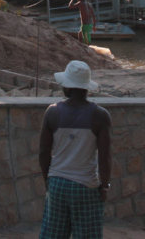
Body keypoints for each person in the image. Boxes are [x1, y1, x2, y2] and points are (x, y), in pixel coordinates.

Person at [39, 60, 112, 239]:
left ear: (67, 87)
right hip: (86, 186)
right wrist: (104, 187)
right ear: (86, 88)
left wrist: (48, 180)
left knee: (53, 234)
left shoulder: (52, 112)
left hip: (57, 183)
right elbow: (105, 157)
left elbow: (43, 152)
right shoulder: (101, 116)